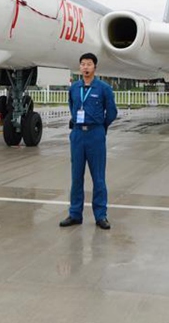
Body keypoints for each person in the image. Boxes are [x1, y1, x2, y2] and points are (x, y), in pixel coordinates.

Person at [60, 52, 118, 230]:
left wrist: (101, 127)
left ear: (95, 67)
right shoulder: (74, 88)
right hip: (78, 134)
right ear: (80, 67)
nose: (86, 67)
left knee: (98, 177)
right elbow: (72, 106)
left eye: (89, 64)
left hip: (95, 135)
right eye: (83, 64)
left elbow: (112, 112)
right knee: (76, 176)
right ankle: (75, 214)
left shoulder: (103, 88)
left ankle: (101, 215)